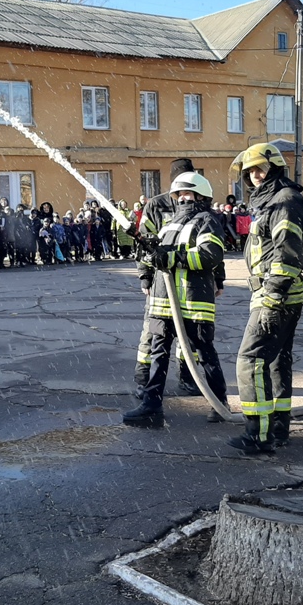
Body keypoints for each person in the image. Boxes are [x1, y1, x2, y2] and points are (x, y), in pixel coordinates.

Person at [122, 172, 227, 426]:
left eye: (187, 193)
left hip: (193, 302)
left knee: (204, 353)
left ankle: (219, 402)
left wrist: (171, 257)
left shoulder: (206, 221)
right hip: (163, 302)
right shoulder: (168, 224)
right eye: (178, 194)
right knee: (158, 353)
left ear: (201, 196)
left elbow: (208, 255)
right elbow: (158, 257)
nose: (181, 198)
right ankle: (152, 405)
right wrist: (147, 253)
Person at [229, 143, 303, 454]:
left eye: (259, 169)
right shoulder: (272, 201)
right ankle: (277, 427)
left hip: (277, 294)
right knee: (276, 361)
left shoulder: (285, 201)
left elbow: (286, 253)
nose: (255, 176)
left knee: (250, 360)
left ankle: (258, 434)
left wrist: (272, 296)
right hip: (278, 293)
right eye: (250, 172)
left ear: (275, 168)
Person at [132, 158, 203, 399]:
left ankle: (188, 376)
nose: (185, 191)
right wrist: (145, 276)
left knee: (188, 333)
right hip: (161, 281)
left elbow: (211, 244)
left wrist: (218, 279)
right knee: (153, 332)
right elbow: (142, 242)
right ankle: (144, 379)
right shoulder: (157, 205)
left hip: (189, 281)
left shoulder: (199, 203)